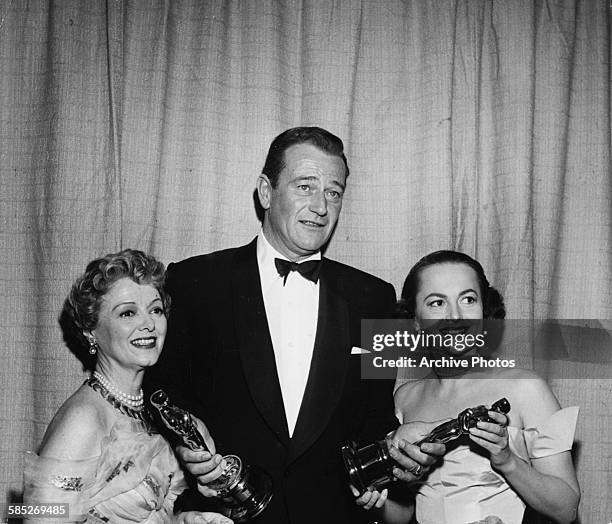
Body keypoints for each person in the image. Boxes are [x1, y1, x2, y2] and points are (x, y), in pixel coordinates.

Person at [146, 127, 445, 524]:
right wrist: (186, 444)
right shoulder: (194, 281)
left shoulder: (374, 297)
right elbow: (158, 389)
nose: (321, 206)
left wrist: (395, 445)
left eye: (333, 192)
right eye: (305, 186)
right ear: (266, 192)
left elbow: (373, 415)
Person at [355, 250, 580, 524]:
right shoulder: (405, 397)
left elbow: (566, 508)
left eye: (468, 299)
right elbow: (405, 513)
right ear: (414, 321)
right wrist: (374, 502)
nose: (456, 316)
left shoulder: (527, 388)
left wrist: (507, 460)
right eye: (437, 303)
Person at [23, 249, 232, 524]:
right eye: (127, 313)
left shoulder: (148, 410)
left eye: (156, 310)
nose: (148, 324)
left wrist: (184, 520)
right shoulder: (83, 421)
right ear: (91, 329)